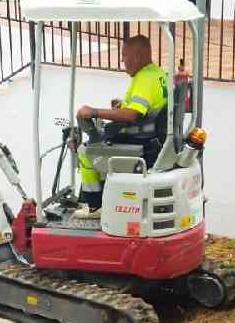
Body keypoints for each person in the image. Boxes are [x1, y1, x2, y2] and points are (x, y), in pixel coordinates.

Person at [72, 34, 169, 216]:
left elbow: (132, 115)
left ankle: (95, 207)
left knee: (85, 152)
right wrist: (121, 105)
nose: (122, 60)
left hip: (140, 144)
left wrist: (93, 111)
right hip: (152, 139)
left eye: (124, 55)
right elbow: (141, 107)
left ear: (137, 57)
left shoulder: (144, 79)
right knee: (98, 144)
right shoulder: (157, 73)